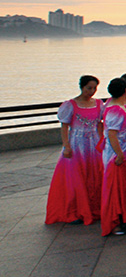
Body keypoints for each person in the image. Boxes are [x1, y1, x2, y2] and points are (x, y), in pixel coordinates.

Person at [46, 75, 103, 226]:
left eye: (94, 88)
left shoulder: (98, 104)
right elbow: (64, 126)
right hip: (77, 143)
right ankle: (75, 210)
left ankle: (94, 207)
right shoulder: (70, 105)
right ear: (82, 87)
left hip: (94, 142)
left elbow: (99, 124)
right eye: (89, 88)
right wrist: (66, 146)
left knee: (94, 175)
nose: (92, 91)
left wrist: (101, 140)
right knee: (76, 177)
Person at [100, 77, 126, 236]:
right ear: (125, 90)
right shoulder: (114, 110)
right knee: (115, 189)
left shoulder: (120, 107)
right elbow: (112, 134)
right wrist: (119, 154)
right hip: (118, 154)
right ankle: (114, 223)